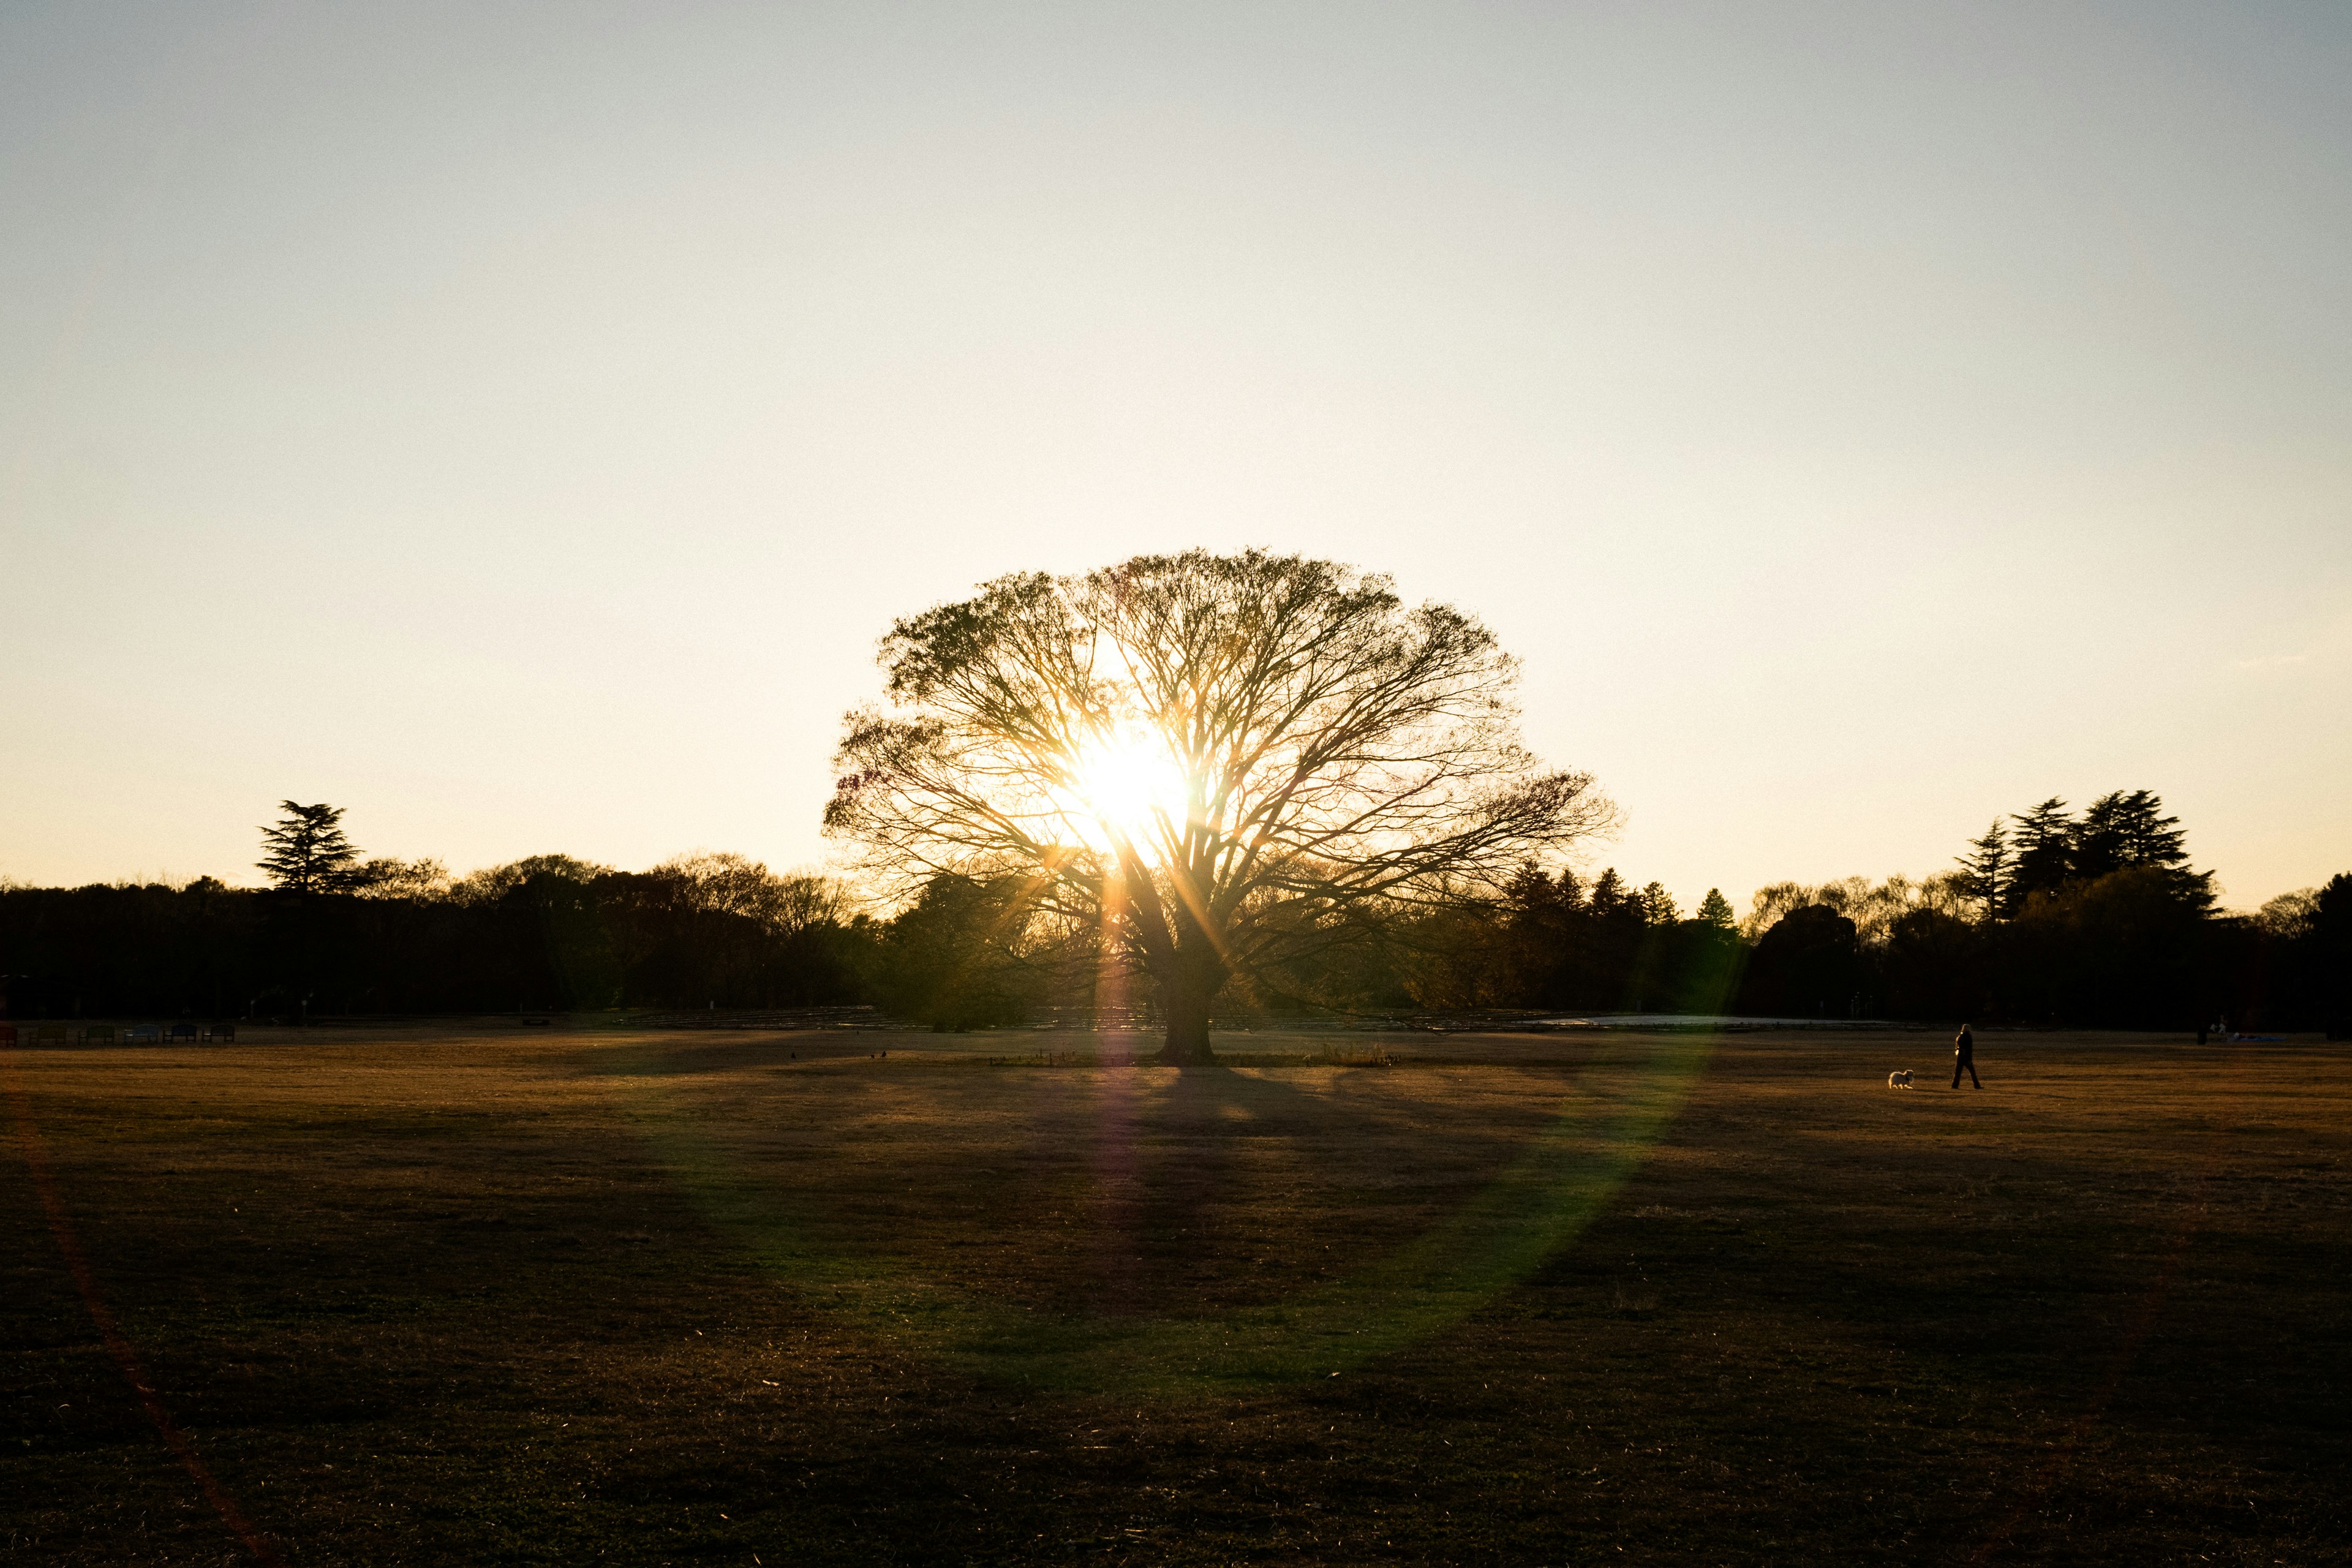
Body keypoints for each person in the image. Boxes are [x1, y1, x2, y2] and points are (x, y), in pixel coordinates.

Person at [1952, 1022, 1981, 1089]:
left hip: (1960, 1057)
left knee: (1958, 1072)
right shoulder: (1968, 1037)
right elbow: (1969, 1049)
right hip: (1966, 1057)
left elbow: (1958, 1047)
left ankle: (1955, 1085)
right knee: (1972, 1072)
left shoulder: (1960, 1037)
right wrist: (1970, 1059)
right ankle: (1977, 1085)